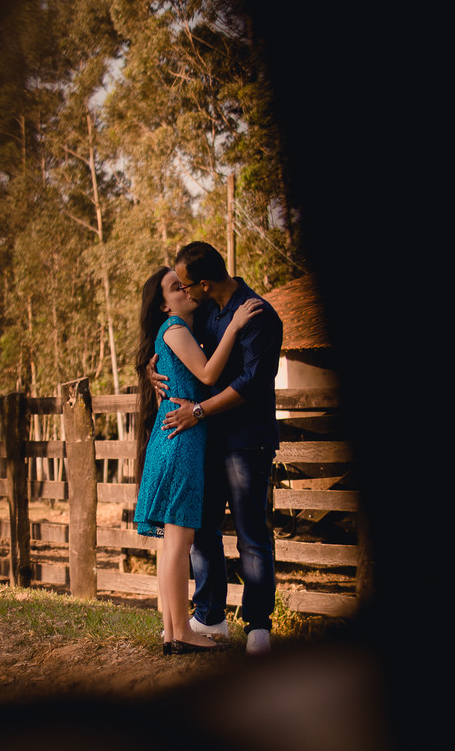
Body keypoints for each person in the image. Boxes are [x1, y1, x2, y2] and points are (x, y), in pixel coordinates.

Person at [149, 241, 283, 655]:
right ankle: (210, 615)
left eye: (186, 285)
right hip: (205, 439)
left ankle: (258, 625)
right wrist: (153, 369)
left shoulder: (258, 314)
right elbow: (187, 357)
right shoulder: (202, 312)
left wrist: (200, 411)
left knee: (250, 534)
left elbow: (251, 383)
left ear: (203, 283)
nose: (184, 292)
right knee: (202, 530)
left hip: (246, 440)